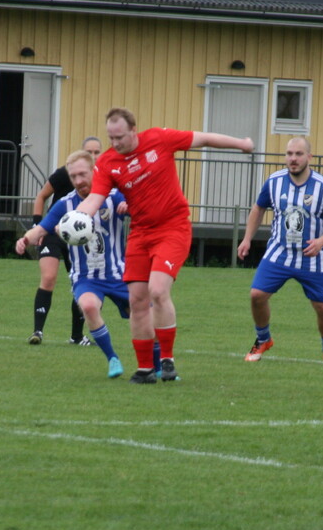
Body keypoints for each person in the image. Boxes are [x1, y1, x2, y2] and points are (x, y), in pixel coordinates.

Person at [72, 107, 254, 384]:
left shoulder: (159, 139)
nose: (115, 143)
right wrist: (75, 219)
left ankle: (167, 360)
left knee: (157, 290)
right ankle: (145, 369)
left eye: (120, 137)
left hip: (172, 228)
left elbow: (204, 138)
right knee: (137, 300)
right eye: (111, 138)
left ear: (134, 130)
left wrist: (241, 144)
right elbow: (95, 198)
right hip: (140, 233)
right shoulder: (107, 162)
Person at [15, 150, 132, 379]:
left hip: (119, 273)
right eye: (73, 176)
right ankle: (112, 359)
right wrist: (25, 239)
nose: (78, 181)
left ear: (94, 171)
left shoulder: (114, 195)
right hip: (86, 277)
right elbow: (42, 229)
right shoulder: (64, 205)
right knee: (88, 306)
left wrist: (128, 207)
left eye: (82, 174)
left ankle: (160, 363)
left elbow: (140, 211)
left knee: (145, 316)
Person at [236, 136, 323, 365]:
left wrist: (321, 241)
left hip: (313, 257)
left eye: (298, 154)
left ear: (309, 157)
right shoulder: (274, 181)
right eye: (289, 154)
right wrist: (247, 239)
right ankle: (263, 339)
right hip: (280, 252)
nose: (293, 159)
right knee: (257, 295)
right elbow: (258, 208)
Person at [25, 136, 103, 346]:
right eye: (89, 151)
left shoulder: (103, 179)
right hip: (53, 232)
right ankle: (37, 331)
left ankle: (76, 336)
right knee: (49, 277)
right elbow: (41, 196)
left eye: (97, 152)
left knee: (82, 283)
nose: (93, 155)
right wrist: (37, 227)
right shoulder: (63, 174)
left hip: (80, 238)